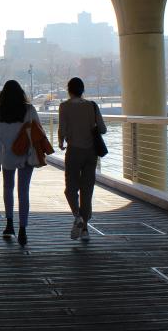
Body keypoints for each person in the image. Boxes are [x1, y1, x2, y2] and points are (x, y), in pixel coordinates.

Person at [0, 80, 38, 246]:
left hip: (8, 157)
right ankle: (23, 229)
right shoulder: (29, 110)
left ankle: (9, 224)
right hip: (26, 156)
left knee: (8, 188)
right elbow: (37, 131)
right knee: (24, 192)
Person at [58, 77, 106, 242]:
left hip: (73, 152)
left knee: (70, 188)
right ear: (82, 90)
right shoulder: (92, 105)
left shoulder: (64, 106)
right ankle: (85, 228)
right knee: (87, 190)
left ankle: (77, 216)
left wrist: (60, 142)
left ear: (69, 90)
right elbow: (103, 129)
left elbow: (62, 128)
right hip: (91, 153)